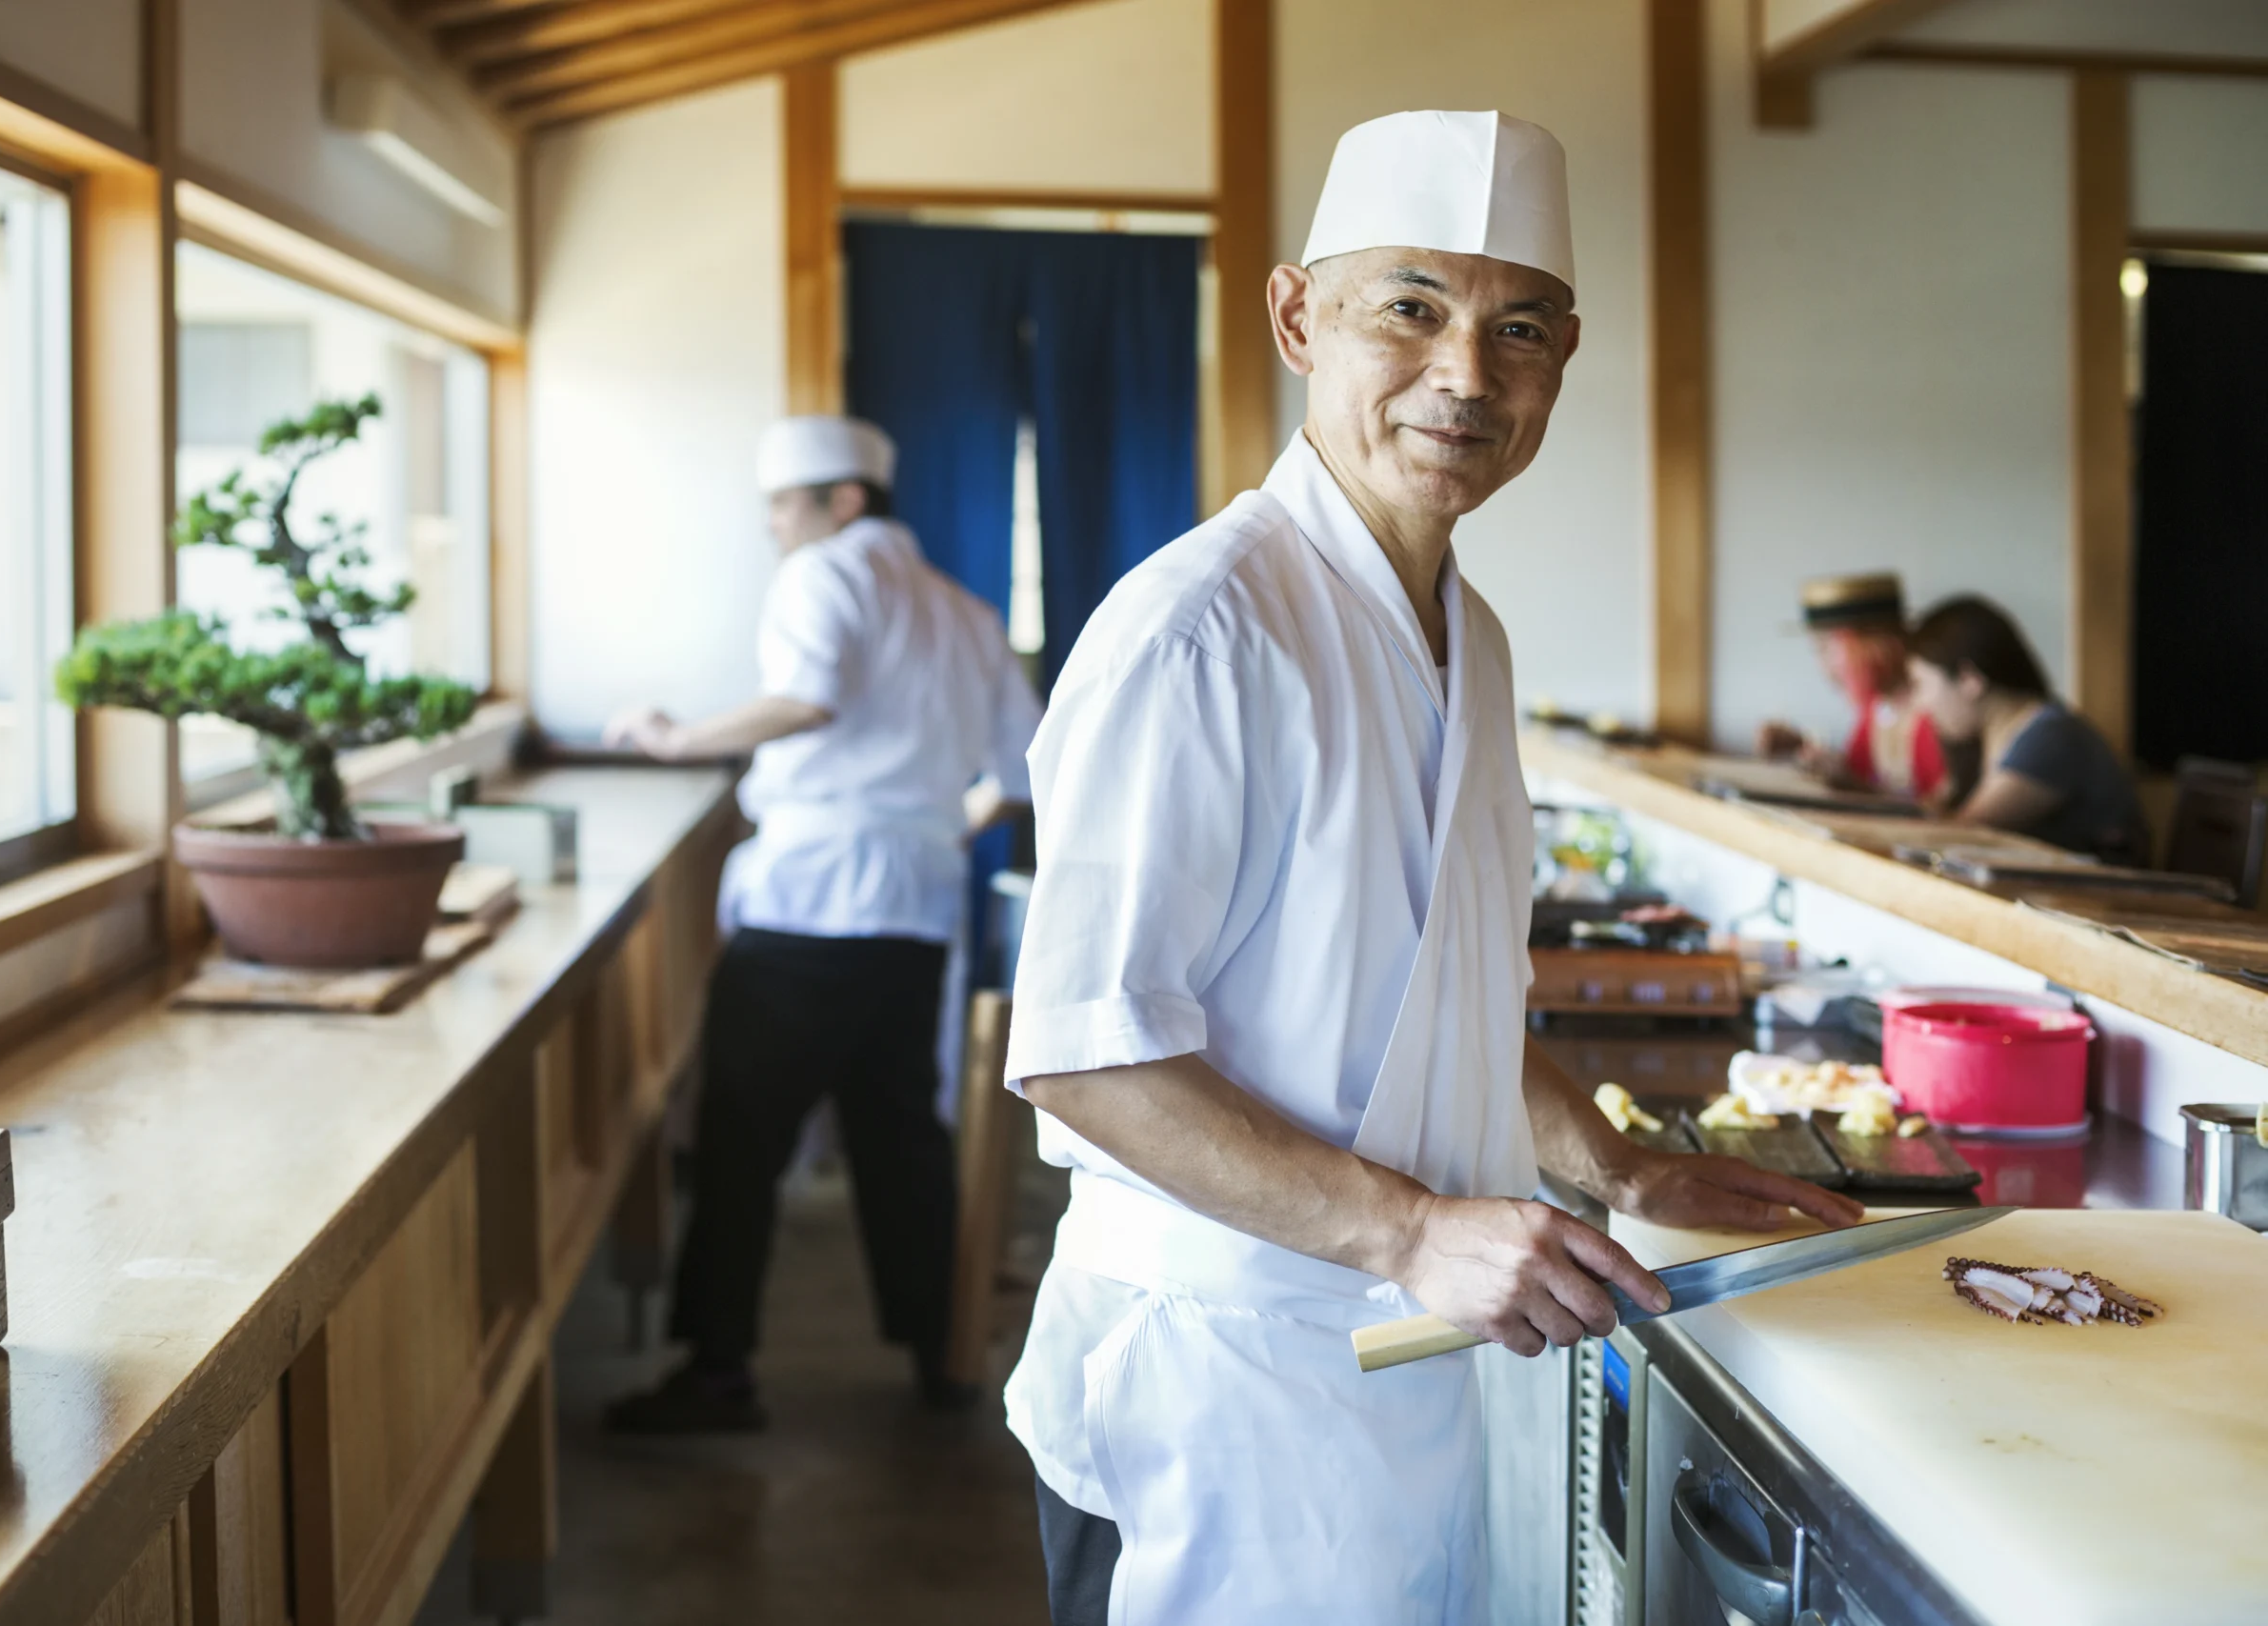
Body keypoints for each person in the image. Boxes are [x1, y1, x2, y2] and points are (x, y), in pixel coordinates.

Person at [998, 110, 1862, 1625]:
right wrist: (1409, 1227)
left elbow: (1442, 991)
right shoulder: (1203, 627)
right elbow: (1085, 1057)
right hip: (1221, 1375)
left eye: (1516, 327)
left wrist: (1621, 1162)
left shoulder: (1474, 632)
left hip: (1398, 1362)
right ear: (1295, 316)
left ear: (1565, 357)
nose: (1467, 373)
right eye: (1410, 307)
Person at [601, 414, 1042, 1431]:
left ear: (843, 503)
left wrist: (676, 741)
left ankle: (717, 1373)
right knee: (900, 1136)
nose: (771, 527)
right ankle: (940, 1357)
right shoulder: (964, 612)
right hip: (914, 907)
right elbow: (1020, 772)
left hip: (811, 904)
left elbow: (803, 699)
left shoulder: (827, 574)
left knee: (740, 1136)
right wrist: (927, 825)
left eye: (783, 506)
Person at [1906, 594, 2150, 866]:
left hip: (2102, 901)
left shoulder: (2050, 736)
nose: (1920, 704)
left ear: (1969, 679)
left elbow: (1964, 832)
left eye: (1920, 685)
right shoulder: (1989, 737)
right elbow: (1934, 809)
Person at [1756, 572, 1946, 797]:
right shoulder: (1877, 710)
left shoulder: (1941, 711)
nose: (1824, 668)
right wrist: (1800, 746)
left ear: (1877, 645)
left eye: (1825, 648)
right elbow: (1867, 781)